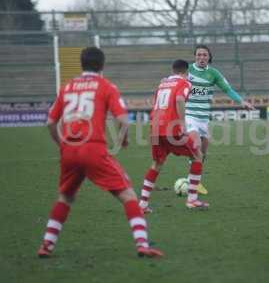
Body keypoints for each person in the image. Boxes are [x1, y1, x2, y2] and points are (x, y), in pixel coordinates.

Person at [37, 47, 163, 258]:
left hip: (69, 150)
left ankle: (46, 246)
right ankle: (142, 244)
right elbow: (122, 119)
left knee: (65, 197)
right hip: (93, 149)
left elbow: (50, 122)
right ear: (102, 65)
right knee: (128, 194)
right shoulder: (106, 86)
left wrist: (62, 145)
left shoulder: (67, 87)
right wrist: (123, 139)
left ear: (81, 64)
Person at [138, 59, 208, 213]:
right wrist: (182, 123)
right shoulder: (184, 83)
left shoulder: (162, 84)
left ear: (173, 70)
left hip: (155, 126)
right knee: (197, 155)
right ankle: (192, 200)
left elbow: (157, 103)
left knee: (156, 164)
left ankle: (142, 204)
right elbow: (179, 99)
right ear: (186, 72)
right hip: (171, 127)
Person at [185, 44, 255, 192]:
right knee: (196, 145)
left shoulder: (214, 74)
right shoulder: (188, 70)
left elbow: (227, 89)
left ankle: (195, 182)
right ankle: (191, 185)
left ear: (209, 57)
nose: (201, 57)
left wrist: (241, 101)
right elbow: (173, 80)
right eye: (199, 55)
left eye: (204, 55)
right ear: (195, 57)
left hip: (203, 117)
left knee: (203, 152)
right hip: (189, 115)